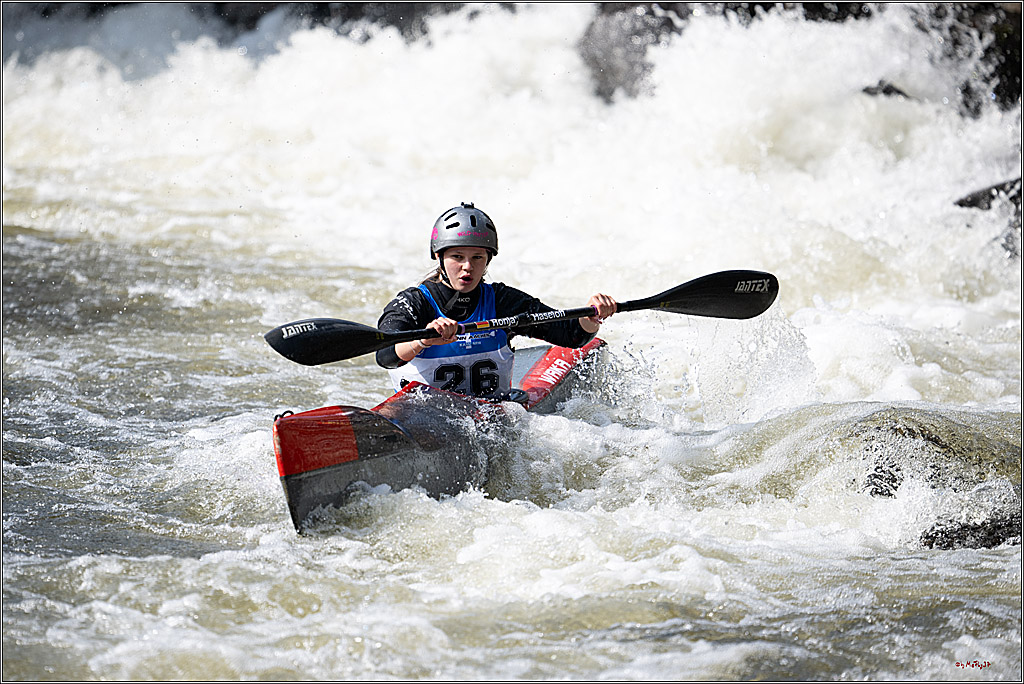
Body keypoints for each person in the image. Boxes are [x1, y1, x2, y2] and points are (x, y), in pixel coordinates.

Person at [376, 202, 617, 398]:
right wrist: (423, 341)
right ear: (439, 257)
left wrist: (591, 317)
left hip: (490, 420)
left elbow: (571, 335)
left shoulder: (502, 301)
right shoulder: (413, 303)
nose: (467, 267)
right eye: (457, 257)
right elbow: (385, 355)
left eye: (477, 257)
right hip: (423, 421)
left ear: (488, 259)